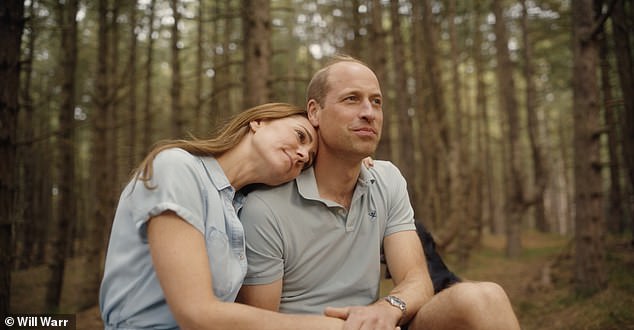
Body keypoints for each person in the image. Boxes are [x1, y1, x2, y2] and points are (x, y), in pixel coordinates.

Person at [237, 56, 521, 330]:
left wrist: (386, 309)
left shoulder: (387, 179)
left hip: (378, 324)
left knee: (485, 298)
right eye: (351, 99)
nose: (368, 113)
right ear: (314, 112)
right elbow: (259, 323)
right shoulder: (266, 205)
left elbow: (417, 279)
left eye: (376, 102)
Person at [99, 103, 347, 329]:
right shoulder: (177, 167)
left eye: (308, 161)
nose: (303, 155)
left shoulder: (242, 211)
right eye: (300, 135)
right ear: (258, 122)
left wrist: (354, 166)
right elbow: (196, 314)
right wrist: (336, 327)